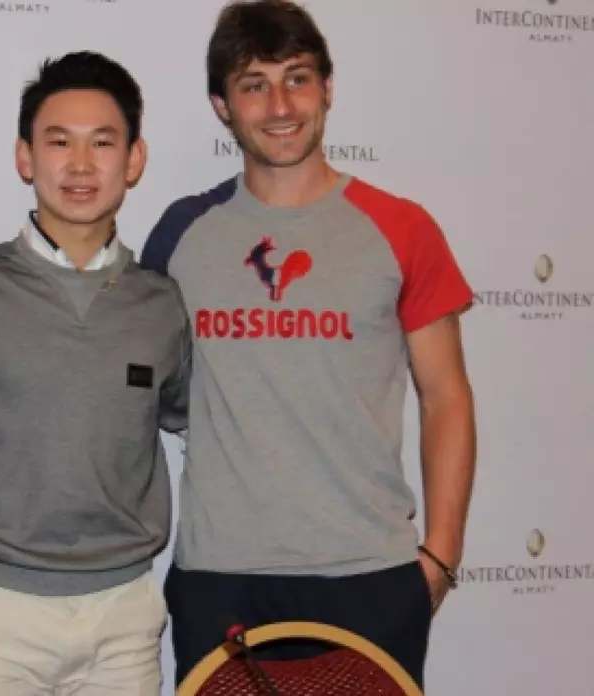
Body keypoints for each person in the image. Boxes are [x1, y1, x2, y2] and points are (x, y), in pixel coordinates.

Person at [140, 0, 477, 688]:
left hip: (369, 577)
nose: (280, 105)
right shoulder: (180, 233)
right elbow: (144, 391)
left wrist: (441, 556)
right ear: (221, 106)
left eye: (296, 78)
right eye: (253, 84)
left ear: (326, 88)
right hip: (220, 579)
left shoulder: (402, 228)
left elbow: (447, 397)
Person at [0, 51, 191, 695]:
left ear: (134, 160)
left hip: (125, 616)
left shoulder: (162, 305)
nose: (80, 165)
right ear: (26, 158)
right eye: (59, 142)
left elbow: (196, 424)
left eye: (102, 143)